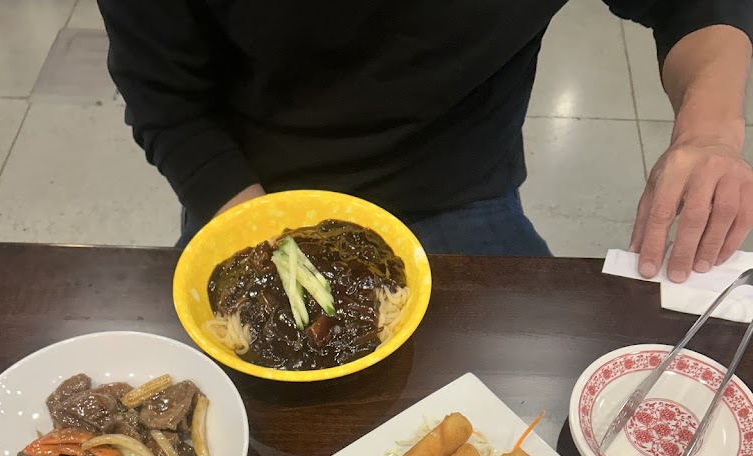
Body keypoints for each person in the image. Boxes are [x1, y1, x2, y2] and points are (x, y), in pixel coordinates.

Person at [98, 1, 753, 282]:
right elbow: (163, 93)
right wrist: (256, 221)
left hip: (460, 187)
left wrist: (712, 132)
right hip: (253, 189)